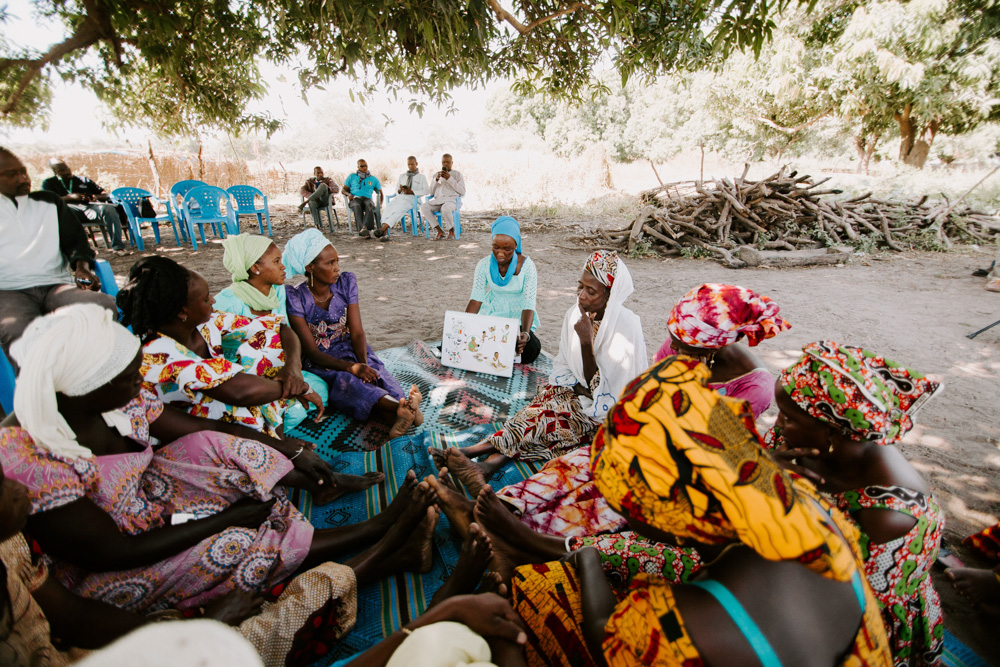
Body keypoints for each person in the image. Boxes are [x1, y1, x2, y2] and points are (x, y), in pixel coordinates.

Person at [0, 304, 440, 623]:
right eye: (131, 378)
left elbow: (199, 432)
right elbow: (113, 552)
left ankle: (303, 526)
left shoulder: (117, 399)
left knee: (223, 449)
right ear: (83, 387)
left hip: (148, 495)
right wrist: (221, 519)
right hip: (113, 564)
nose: (141, 383)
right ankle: (368, 532)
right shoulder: (28, 459)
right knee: (227, 540)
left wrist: (287, 452)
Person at [509, 355, 893, 667]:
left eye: (628, 509)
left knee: (535, 588)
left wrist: (589, 558)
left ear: (670, 523)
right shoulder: (806, 505)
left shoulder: (682, 625)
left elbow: (602, 631)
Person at [768, 341, 944, 667]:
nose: (777, 424)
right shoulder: (798, 440)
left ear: (833, 433)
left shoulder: (891, 516)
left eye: (787, 418)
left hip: (858, 617)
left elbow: (851, 603)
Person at [434, 250, 646, 484]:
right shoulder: (575, 314)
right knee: (537, 411)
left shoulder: (626, 327)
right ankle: (484, 463)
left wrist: (586, 342)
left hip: (603, 413)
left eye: (591, 291)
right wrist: (574, 386)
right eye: (580, 287)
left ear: (610, 294)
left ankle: (474, 454)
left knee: (551, 424)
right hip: (574, 390)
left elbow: (605, 394)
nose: (581, 296)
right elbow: (565, 364)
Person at [118, 255, 323, 439]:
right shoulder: (158, 352)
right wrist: (300, 388)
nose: (213, 300)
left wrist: (293, 370)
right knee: (243, 403)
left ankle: (276, 438)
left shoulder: (206, 323)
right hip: (182, 432)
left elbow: (279, 328)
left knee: (267, 345)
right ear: (183, 311)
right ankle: (276, 446)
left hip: (216, 408)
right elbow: (238, 392)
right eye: (206, 298)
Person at [283, 229, 423, 439]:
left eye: (337, 261)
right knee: (348, 383)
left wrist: (363, 363)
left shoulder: (345, 284)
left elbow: (357, 332)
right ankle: (401, 410)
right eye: (329, 263)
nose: (337, 267)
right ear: (310, 267)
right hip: (323, 361)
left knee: (378, 375)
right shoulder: (296, 297)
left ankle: (401, 412)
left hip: (351, 349)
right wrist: (352, 368)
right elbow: (311, 351)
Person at [0, 146, 114, 361]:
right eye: (11, 174)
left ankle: (96, 374)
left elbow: (76, 241)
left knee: (102, 307)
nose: (23, 178)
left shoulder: (49, 201)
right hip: (9, 292)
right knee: (19, 332)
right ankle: (38, 389)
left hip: (55, 286)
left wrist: (83, 267)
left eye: (23, 171)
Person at [213, 234, 331, 431]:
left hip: (276, 369)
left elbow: (283, 328)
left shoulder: (277, 291)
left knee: (321, 388)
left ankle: (274, 411)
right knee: (293, 411)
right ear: (255, 268)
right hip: (242, 378)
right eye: (276, 261)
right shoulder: (228, 303)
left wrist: (292, 369)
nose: (283, 267)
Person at [654, 282, 791, 419]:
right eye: (672, 338)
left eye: (678, 344)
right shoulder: (681, 347)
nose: (672, 347)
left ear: (710, 347)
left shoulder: (755, 388)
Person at [465, 216, 542, 364]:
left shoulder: (527, 266)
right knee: (471, 340)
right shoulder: (483, 264)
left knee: (529, 349)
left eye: (507, 249)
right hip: (491, 313)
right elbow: (476, 298)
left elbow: (528, 303)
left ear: (516, 246)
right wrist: (465, 324)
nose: (500, 253)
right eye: (496, 247)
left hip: (517, 316)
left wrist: (525, 332)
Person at [41, 158, 129, 254]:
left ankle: (118, 247)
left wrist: (94, 196)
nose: (66, 172)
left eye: (67, 168)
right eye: (62, 170)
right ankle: (81, 251)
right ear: (55, 172)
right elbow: (49, 200)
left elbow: (105, 194)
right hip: (71, 209)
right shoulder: (49, 183)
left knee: (109, 209)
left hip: (90, 207)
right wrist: (71, 197)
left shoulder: (83, 180)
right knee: (66, 213)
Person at [373, 155, 429, 238]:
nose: (410, 166)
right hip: (400, 198)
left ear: (416, 164)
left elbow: (426, 191)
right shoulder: (402, 176)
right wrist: (400, 190)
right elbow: (396, 190)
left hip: (413, 200)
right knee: (388, 208)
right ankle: (384, 232)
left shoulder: (422, 177)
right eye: (409, 164)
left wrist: (412, 192)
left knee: (399, 210)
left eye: (412, 164)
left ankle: (383, 229)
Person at [419, 153, 466, 241]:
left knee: (445, 208)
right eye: (444, 162)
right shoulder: (436, 175)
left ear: (452, 163)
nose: (445, 164)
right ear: (441, 163)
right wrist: (436, 180)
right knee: (424, 207)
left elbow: (462, 191)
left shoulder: (457, 174)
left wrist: (450, 179)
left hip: (452, 201)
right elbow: (431, 192)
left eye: (448, 162)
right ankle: (439, 231)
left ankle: (451, 230)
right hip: (438, 201)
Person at [342, 159, 382, 238]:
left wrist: (380, 203)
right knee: (356, 205)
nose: (364, 167)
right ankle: (364, 231)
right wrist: (348, 194)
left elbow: (380, 192)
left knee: (370, 204)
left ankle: (364, 228)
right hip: (355, 198)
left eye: (366, 165)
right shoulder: (352, 176)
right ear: (358, 167)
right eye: (362, 166)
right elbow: (343, 190)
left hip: (367, 198)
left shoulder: (373, 178)